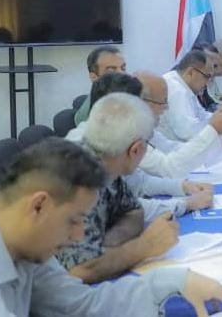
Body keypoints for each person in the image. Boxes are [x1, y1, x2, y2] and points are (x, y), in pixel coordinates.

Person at [0, 138, 222, 316]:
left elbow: (83, 308)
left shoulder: (20, 243)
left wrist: (175, 280)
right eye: (74, 220)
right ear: (38, 205)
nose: (79, 236)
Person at [57, 93, 189, 284]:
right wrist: (145, 246)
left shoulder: (107, 162)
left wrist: (106, 246)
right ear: (136, 149)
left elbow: (133, 212)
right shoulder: (79, 176)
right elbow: (81, 270)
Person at [66, 73, 214, 222]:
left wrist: (182, 187)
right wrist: (185, 204)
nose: (164, 108)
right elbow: (124, 210)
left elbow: (137, 184)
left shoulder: (109, 144)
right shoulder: (85, 162)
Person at [136, 70, 222, 178]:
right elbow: (167, 169)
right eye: (162, 102)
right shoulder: (129, 133)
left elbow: (171, 148)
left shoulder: (145, 128)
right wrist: (213, 130)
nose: (166, 108)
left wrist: (217, 148)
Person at [160, 50, 222, 142]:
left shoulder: (186, 86)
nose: (207, 83)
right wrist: (215, 126)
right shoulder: (175, 89)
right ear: (191, 72)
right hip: (173, 147)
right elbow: (187, 133)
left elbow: (201, 115)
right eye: (207, 76)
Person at [74, 45, 126, 124]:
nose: (121, 74)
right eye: (111, 70)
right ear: (94, 77)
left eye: (123, 68)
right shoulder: (91, 118)